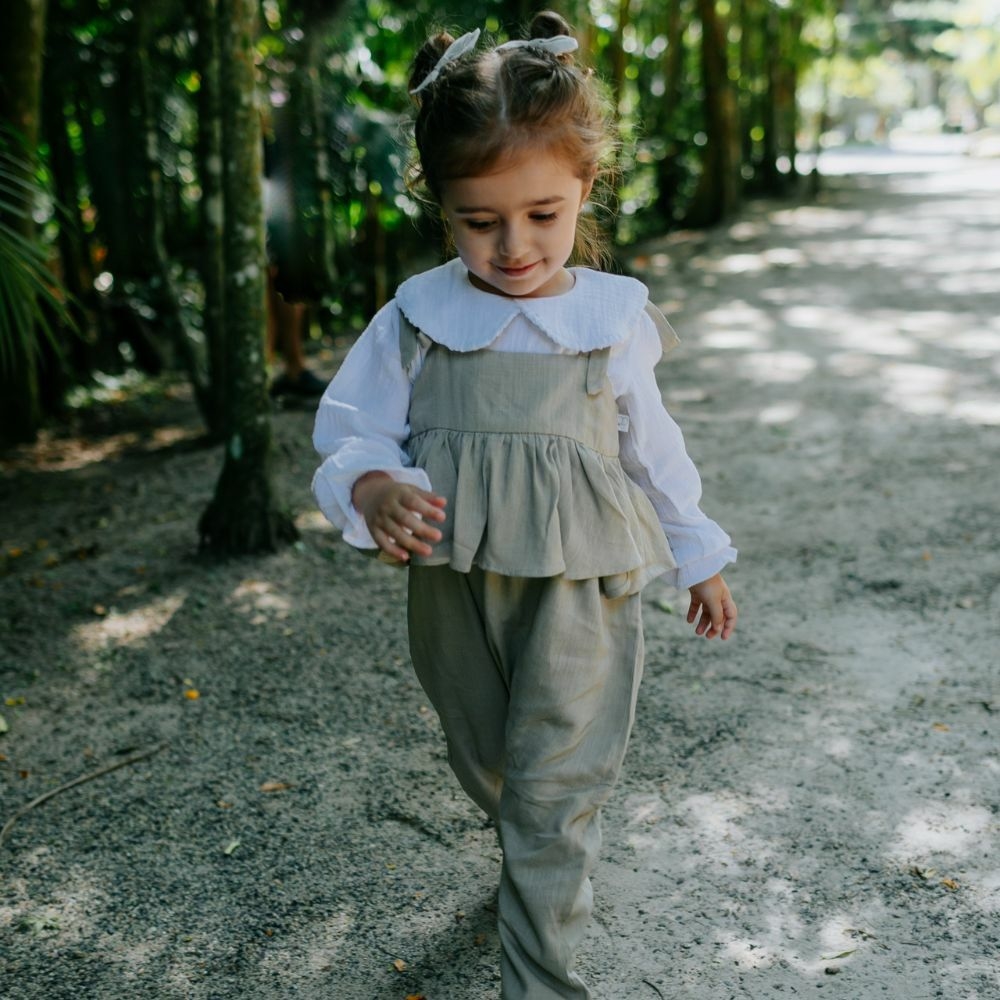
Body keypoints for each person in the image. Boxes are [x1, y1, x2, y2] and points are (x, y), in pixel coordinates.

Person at [312, 12, 737, 998]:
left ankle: (538, 970)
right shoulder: (416, 316)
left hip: (586, 581)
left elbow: (652, 449)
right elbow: (353, 427)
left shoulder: (609, 318)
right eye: (479, 220)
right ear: (441, 206)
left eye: (543, 214)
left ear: (584, 186)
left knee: (552, 786)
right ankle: (527, 855)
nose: (513, 246)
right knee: (488, 761)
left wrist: (699, 553)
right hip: (455, 583)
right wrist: (374, 485)